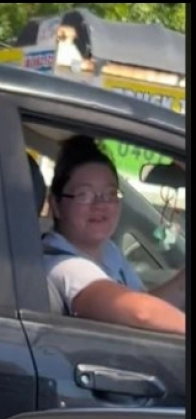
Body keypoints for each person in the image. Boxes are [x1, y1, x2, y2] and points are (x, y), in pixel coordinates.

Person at [42, 135, 185, 335]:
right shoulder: (63, 265)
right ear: (56, 205)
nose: (100, 205)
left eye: (110, 194)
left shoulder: (107, 251)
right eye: (85, 195)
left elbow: (146, 303)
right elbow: (141, 313)